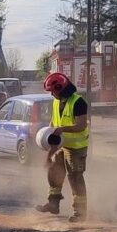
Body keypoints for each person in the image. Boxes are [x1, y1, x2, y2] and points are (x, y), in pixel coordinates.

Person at [35, 72, 90, 222]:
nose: (52, 94)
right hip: (62, 145)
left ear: (60, 88)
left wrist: (62, 129)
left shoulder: (78, 102)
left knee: (75, 177)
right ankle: (53, 204)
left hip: (77, 147)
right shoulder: (56, 102)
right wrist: (49, 154)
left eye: (53, 91)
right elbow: (54, 126)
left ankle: (80, 212)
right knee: (54, 171)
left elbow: (81, 125)